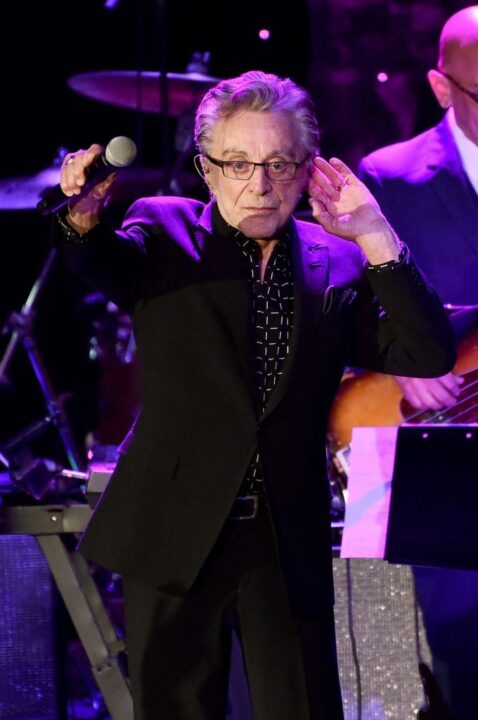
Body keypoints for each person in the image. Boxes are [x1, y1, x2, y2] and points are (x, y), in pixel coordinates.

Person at [54, 70, 454, 720]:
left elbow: (426, 352)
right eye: (237, 163)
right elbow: (95, 259)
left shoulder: (338, 258)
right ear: (207, 169)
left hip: (283, 535)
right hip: (176, 528)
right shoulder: (164, 231)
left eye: (278, 163)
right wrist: (80, 214)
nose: (259, 184)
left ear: (307, 168)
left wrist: (376, 234)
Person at [358, 6, 478, 719]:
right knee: (453, 662)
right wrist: (397, 357)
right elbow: (338, 304)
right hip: (426, 454)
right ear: (441, 88)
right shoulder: (386, 178)